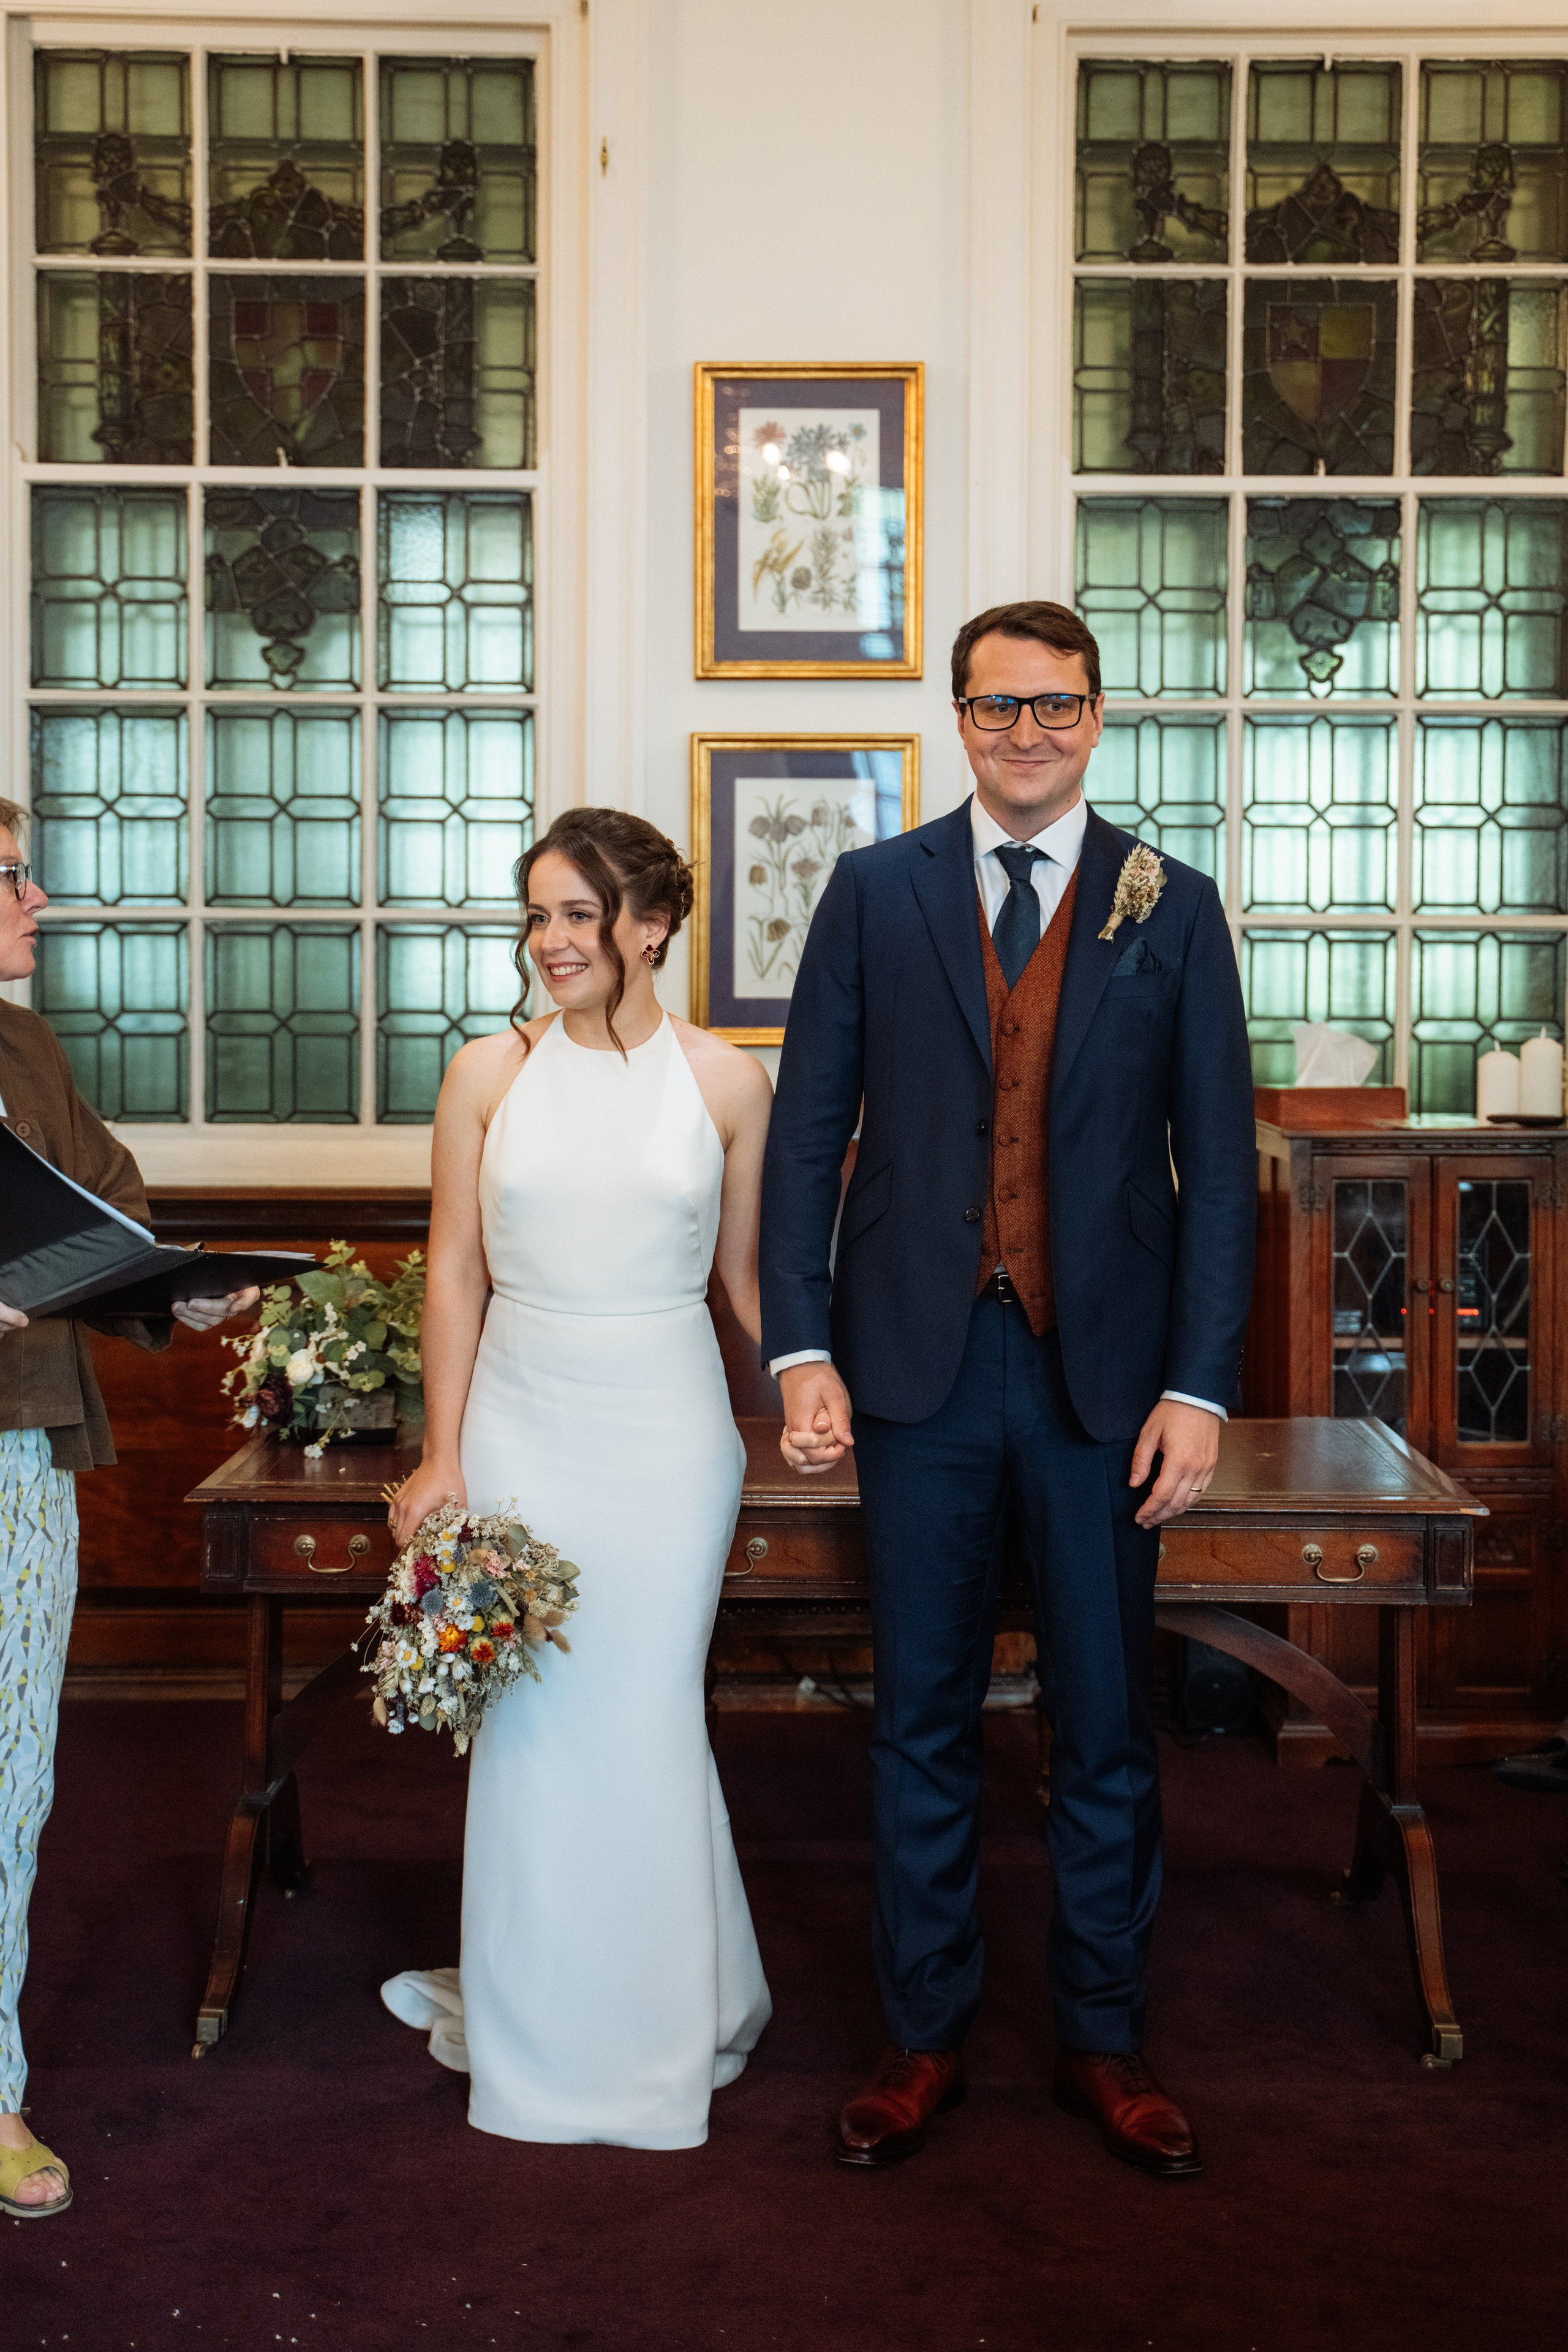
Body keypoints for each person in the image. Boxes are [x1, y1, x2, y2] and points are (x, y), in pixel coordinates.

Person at [760, 603, 1256, 2177]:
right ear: (957, 718)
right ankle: (923, 2037)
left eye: (1053, 707)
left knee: (1105, 1722)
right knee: (919, 1717)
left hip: (1103, 1379)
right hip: (914, 1362)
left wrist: (1197, 1386)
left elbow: (1217, 1175)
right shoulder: (869, 892)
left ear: (1095, 718)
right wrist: (799, 1342)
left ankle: (1102, 2039)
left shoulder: (1168, 908)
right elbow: (802, 1133)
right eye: (995, 706)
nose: (1024, 733)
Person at [382, 807, 774, 2148]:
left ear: (650, 924)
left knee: (648, 1715)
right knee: (537, 1728)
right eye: (536, 914)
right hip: (521, 1424)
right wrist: (443, 1453)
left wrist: (823, 1387)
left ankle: (662, 2026)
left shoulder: (726, 1086)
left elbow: (744, 1285)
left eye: (577, 914)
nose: (551, 940)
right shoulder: (485, 1075)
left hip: (668, 1435)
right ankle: (538, 2030)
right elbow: (451, 1270)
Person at [0, 797, 258, 2219]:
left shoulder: (24, 1045)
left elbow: (109, 1204)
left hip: (19, 1455)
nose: (37, 899)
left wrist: (185, 1285)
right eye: (12, 876)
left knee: (8, 1788)